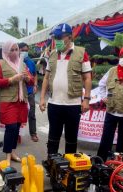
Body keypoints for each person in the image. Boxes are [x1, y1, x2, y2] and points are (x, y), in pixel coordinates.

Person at [39, 23, 92, 156]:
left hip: (73, 105)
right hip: (54, 104)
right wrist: (42, 98)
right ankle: (52, 165)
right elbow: (46, 78)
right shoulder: (52, 54)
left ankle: (70, 168)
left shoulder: (81, 53)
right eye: (55, 37)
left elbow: (87, 78)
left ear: (69, 37)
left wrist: (86, 99)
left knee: (71, 138)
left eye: (59, 37)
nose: (56, 40)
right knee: (53, 136)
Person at [0, 41, 34, 163]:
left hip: (21, 101)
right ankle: (7, 155)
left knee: (16, 129)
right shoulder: (0, 64)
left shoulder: (23, 64)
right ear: (6, 51)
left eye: (17, 49)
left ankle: (13, 152)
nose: (16, 52)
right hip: (8, 101)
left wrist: (27, 78)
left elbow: (31, 82)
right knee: (10, 128)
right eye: (12, 50)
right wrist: (12, 79)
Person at [18, 42, 39, 142]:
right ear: (18, 50)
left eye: (26, 51)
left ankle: (33, 133)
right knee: (18, 114)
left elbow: (34, 75)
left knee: (31, 112)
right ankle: (17, 134)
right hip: (18, 91)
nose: (25, 52)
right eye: (23, 50)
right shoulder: (15, 62)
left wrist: (35, 85)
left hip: (29, 91)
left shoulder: (30, 62)